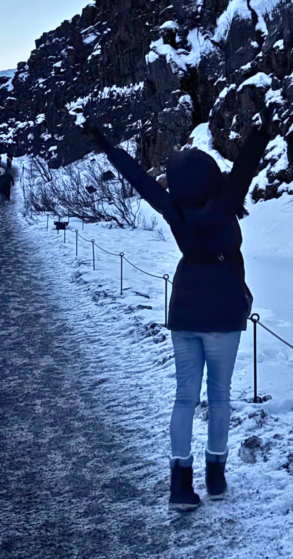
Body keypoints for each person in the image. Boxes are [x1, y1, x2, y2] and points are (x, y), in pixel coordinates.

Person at [83, 117, 271, 511]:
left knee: (184, 399)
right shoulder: (222, 205)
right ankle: (216, 477)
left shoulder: (174, 209)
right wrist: (260, 132)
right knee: (219, 397)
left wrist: (109, 149)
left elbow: (141, 181)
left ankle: (179, 486)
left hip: (184, 310)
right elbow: (244, 169)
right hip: (223, 312)